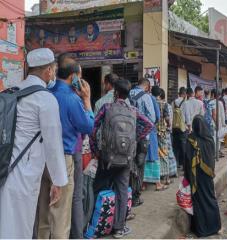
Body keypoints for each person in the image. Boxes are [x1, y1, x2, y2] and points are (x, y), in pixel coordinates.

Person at [0, 48, 68, 238]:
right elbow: (53, 146)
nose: (53, 73)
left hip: (5, 167)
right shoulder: (45, 99)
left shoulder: (13, 92)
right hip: (24, 173)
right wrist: (58, 181)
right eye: (53, 69)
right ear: (48, 70)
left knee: (5, 222)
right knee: (20, 225)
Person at [37, 54, 94, 239]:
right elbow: (88, 126)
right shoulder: (72, 99)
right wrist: (87, 100)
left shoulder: (47, 93)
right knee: (60, 215)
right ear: (74, 76)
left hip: (43, 157)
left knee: (43, 212)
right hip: (64, 158)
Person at [91, 79, 153, 238]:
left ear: (116, 93)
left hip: (107, 158)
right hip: (126, 158)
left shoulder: (106, 108)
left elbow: (93, 127)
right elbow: (149, 125)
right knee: (122, 190)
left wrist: (95, 150)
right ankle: (118, 228)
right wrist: (135, 138)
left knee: (98, 188)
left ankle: (95, 223)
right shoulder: (133, 110)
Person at [183, 115, 221, 237]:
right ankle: (214, 226)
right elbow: (212, 159)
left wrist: (187, 177)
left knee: (199, 201)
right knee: (210, 198)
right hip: (208, 176)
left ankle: (201, 229)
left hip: (196, 178)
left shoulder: (191, 139)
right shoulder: (210, 139)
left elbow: (187, 160)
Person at [172, 87, 187, 168]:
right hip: (182, 127)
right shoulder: (185, 103)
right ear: (184, 94)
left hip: (174, 127)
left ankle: (176, 164)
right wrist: (189, 126)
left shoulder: (173, 102)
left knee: (175, 146)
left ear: (179, 93)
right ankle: (184, 165)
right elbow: (187, 115)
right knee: (183, 146)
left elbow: (171, 115)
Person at [210, 89, 226, 158]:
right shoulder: (220, 103)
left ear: (213, 94)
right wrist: (223, 123)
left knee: (213, 138)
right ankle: (217, 152)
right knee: (218, 138)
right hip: (218, 122)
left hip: (212, 123)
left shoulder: (210, 102)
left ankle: (214, 152)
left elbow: (210, 114)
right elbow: (222, 114)